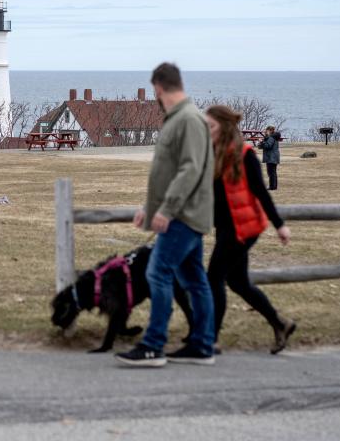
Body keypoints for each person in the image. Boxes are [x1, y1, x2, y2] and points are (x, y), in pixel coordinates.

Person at [115, 63, 216, 367]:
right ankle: (201, 345)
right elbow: (169, 172)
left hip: (182, 216)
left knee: (157, 273)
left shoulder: (187, 119)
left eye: (154, 90)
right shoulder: (179, 119)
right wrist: (149, 208)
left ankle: (153, 345)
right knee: (195, 280)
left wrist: (167, 210)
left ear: (159, 87)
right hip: (180, 213)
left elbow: (190, 169)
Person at [205, 106, 296, 354]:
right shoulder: (216, 153)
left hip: (242, 228)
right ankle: (280, 323)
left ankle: (211, 339)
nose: (207, 130)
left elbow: (260, 192)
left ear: (223, 127)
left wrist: (280, 226)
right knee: (238, 283)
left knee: (214, 277)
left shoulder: (244, 154)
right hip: (226, 227)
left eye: (211, 126)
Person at [259, 125, 281, 190]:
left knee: (271, 172)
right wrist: (262, 143)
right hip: (273, 156)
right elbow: (264, 145)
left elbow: (268, 146)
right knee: (272, 172)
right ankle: (273, 186)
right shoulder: (272, 137)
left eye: (267, 130)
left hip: (271, 157)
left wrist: (261, 142)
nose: (266, 131)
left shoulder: (271, 138)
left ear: (270, 131)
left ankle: (272, 186)